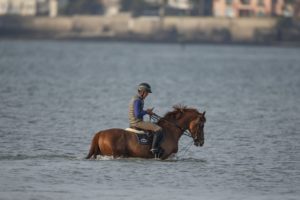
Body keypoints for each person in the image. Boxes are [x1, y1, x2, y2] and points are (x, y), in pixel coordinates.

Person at [129, 83, 163, 158]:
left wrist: (148, 112)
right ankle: (154, 148)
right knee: (159, 129)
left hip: (134, 122)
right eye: (147, 93)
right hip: (137, 123)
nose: (147, 95)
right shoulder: (137, 100)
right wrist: (147, 112)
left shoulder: (137, 98)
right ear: (142, 92)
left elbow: (138, 112)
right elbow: (137, 114)